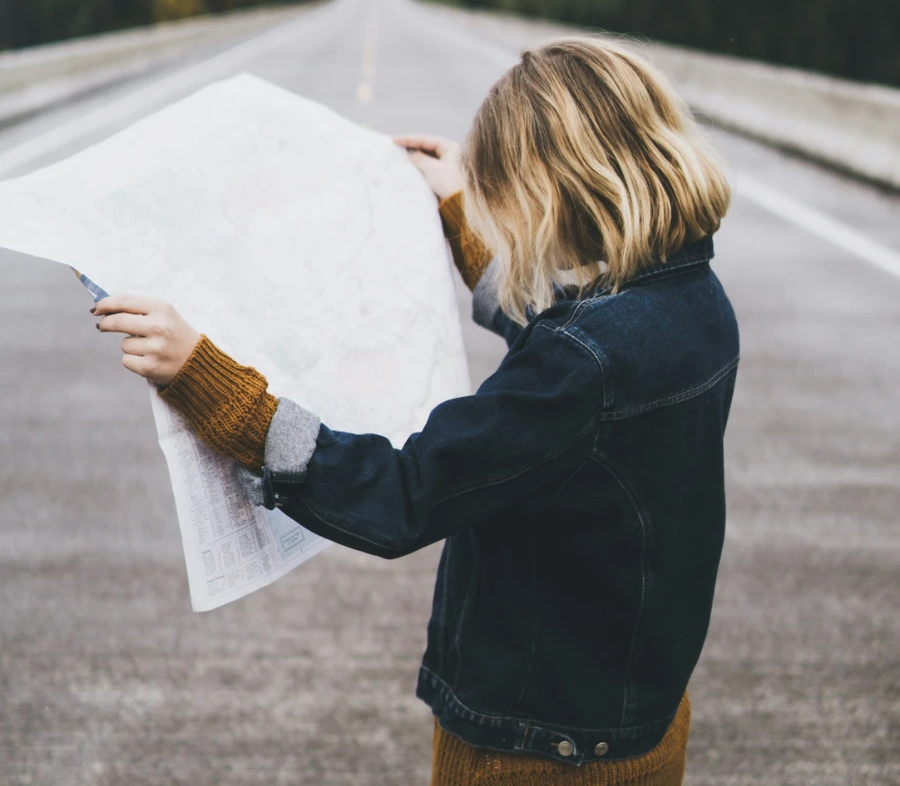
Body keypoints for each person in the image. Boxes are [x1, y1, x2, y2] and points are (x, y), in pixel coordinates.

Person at [94, 39, 739, 786]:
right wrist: (459, 213)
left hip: (531, 754)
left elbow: (403, 492)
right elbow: (570, 358)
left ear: (556, 192)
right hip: (640, 723)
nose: (505, 220)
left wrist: (213, 384)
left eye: (506, 199)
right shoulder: (694, 304)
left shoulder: (581, 368)